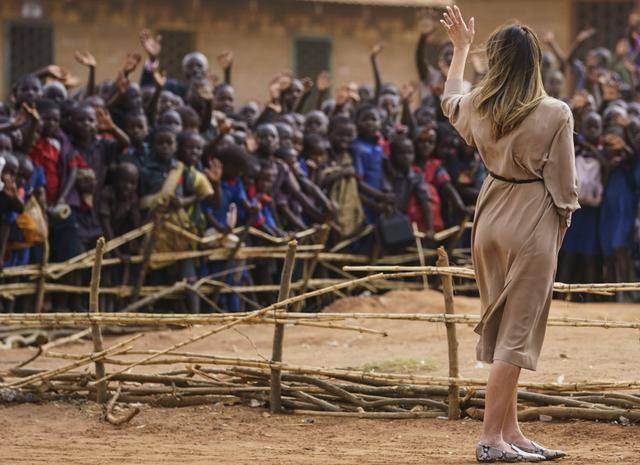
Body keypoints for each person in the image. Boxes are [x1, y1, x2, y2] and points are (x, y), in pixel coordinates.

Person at [440, 5, 577, 462]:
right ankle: (489, 439)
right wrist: (558, 230)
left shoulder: (480, 102)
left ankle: (511, 431)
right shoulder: (555, 112)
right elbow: (564, 187)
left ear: (496, 61)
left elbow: (449, 99)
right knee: (517, 334)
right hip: (532, 216)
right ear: (536, 61)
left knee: (503, 331)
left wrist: (460, 49)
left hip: (489, 214)